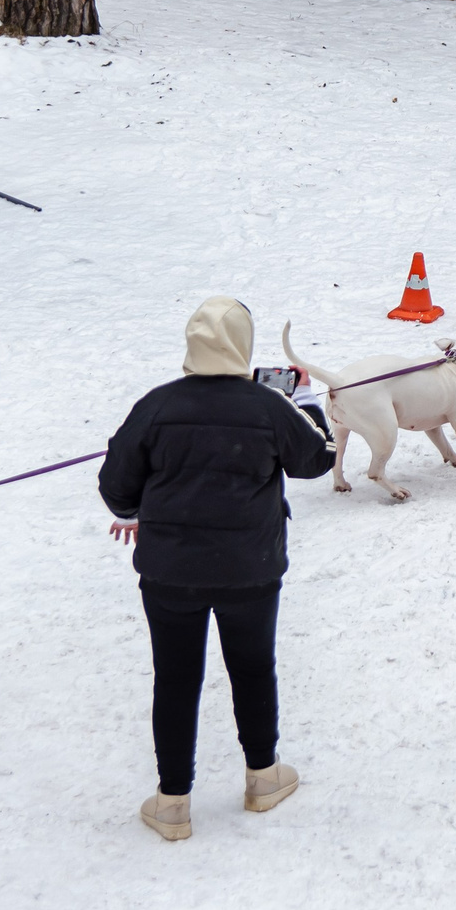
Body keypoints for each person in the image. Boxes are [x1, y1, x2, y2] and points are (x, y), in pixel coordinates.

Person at [101, 298, 336, 842]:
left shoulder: (156, 407)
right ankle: (263, 777)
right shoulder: (267, 406)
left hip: (169, 572)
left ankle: (173, 802)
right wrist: (299, 400)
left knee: (176, 679)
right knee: (253, 668)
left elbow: (115, 490)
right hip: (249, 570)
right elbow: (316, 458)